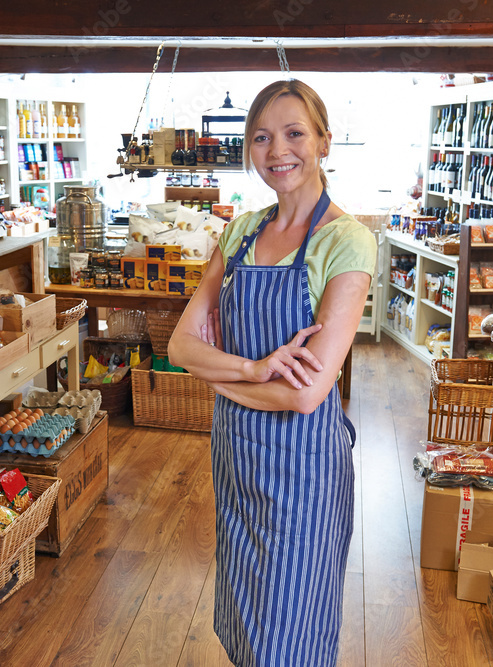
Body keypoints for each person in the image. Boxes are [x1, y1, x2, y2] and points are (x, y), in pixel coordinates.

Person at [168, 79, 377, 665]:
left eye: (294, 134)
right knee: (247, 617)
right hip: (236, 457)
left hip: (304, 467)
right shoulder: (239, 233)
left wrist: (220, 378)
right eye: (261, 138)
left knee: (293, 626)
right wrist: (256, 368)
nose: (277, 150)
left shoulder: (345, 241)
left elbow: (308, 395)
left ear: (324, 142)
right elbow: (181, 346)